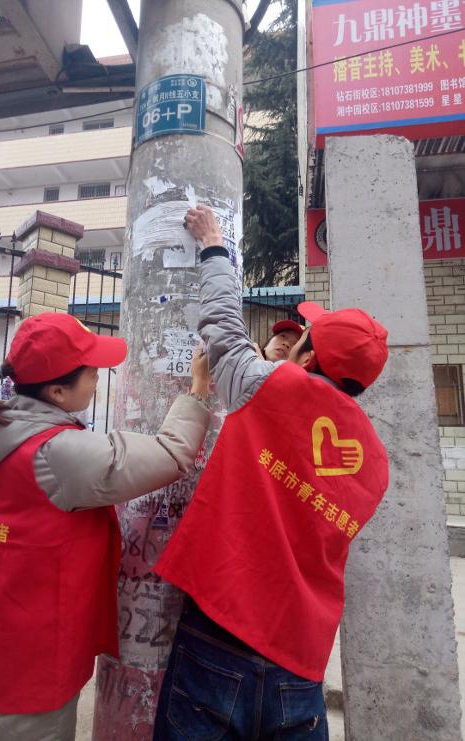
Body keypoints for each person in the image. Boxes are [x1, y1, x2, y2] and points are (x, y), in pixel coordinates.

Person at [0, 312, 211, 741]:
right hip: (24, 671)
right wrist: (198, 390)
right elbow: (170, 454)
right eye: (91, 372)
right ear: (56, 391)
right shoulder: (57, 454)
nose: (98, 379)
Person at [153, 205, 389, 740]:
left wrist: (213, 245)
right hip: (300, 664)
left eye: (302, 338)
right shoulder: (376, 460)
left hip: (219, 633)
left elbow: (222, 324)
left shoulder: (269, 386)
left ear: (306, 360)